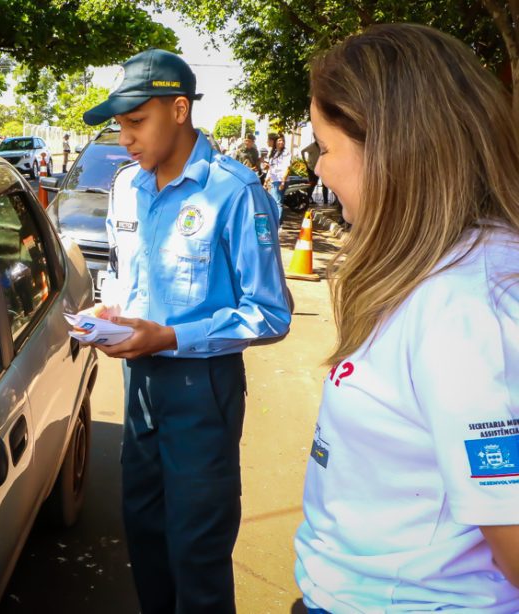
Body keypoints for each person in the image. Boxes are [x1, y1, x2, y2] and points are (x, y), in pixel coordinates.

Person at [296, 24, 519, 612]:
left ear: (391, 150)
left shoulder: (463, 307)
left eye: (324, 147)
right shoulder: (434, 272)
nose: (319, 171)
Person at [81, 48, 292, 613]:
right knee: (144, 530)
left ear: (179, 110)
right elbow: (126, 275)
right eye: (120, 125)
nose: (125, 139)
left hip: (203, 387)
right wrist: (110, 314)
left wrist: (171, 337)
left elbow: (270, 312)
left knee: (197, 548)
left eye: (136, 121)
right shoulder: (127, 186)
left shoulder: (234, 191)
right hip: (139, 382)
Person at [266, 134, 291, 223]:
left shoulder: (286, 152)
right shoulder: (273, 152)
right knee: (273, 201)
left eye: (283, 140)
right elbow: (271, 168)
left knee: (278, 202)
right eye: (279, 140)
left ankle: (277, 222)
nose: (281, 142)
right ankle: (275, 221)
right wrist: (266, 180)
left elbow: (287, 168)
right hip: (274, 179)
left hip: (280, 180)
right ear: (275, 142)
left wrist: (283, 182)